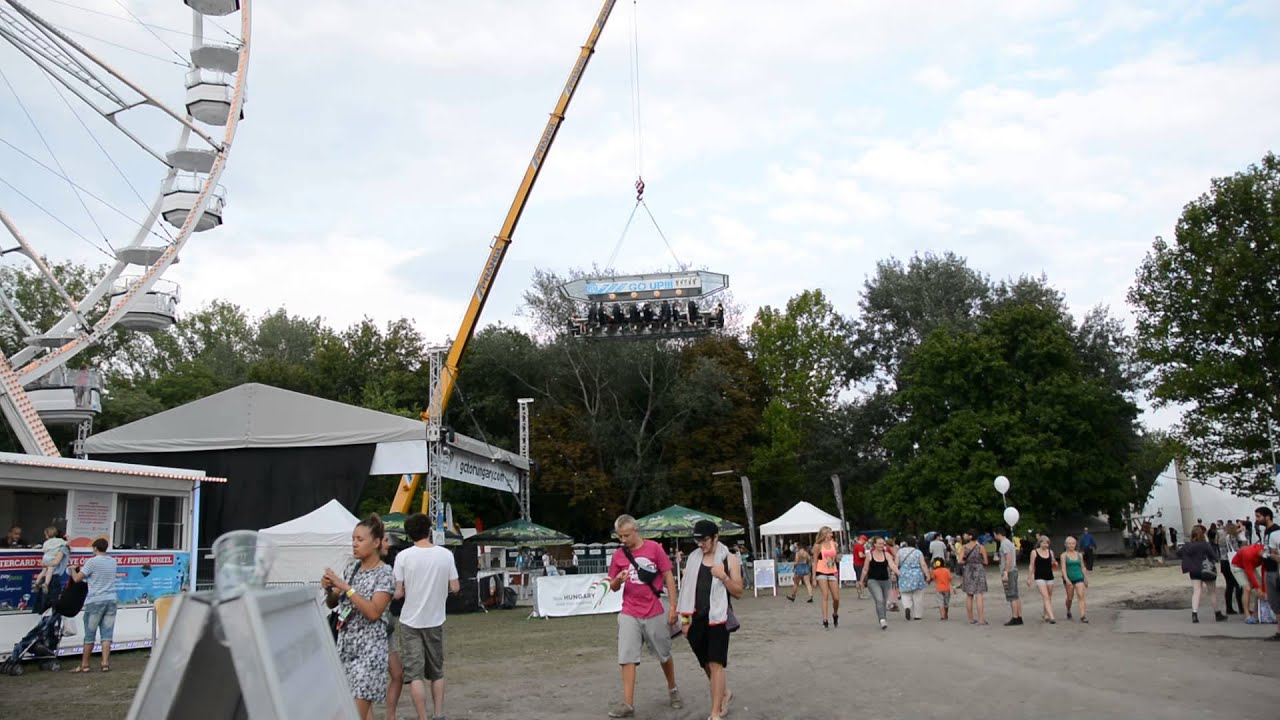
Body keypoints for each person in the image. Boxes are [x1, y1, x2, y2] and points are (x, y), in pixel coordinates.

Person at [606, 515, 682, 718]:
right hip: (629, 611)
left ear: (636, 531)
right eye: (620, 536)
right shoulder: (618, 555)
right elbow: (611, 587)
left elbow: (668, 577)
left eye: (626, 535)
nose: (623, 540)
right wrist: (618, 581)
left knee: (664, 654)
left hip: (654, 610)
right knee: (626, 656)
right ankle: (628, 704)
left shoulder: (654, 549)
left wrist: (673, 607)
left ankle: (673, 689)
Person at [322, 514, 394, 718]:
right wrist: (329, 588)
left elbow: (373, 612)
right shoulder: (352, 569)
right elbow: (333, 603)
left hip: (369, 653)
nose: (354, 544)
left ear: (376, 542)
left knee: (352, 714)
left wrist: (345, 586)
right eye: (353, 539)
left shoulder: (384, 574)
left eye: (360, 540)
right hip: (346, 649)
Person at [393, 512, 461, 720]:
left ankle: (422, 717)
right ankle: (438, 714)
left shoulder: (402, 557)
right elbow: (455, 587)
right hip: (435, 619)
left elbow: (398, 592)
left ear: (408, 534)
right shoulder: (445, 555)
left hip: (410, 620)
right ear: (429, 530)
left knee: (415, 674)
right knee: (436, 671)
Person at [678, 520, 742, 720]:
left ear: (716, 537)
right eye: (697, 540)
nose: (700, 544)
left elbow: (738, 592)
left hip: (718, 619)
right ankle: (724, 692)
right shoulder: (693, 559)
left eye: (704, 540)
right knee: (706, 663)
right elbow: (687, 592)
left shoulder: (729, 559)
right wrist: (686, 620)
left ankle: (715, 713)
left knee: (716, 664)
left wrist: (723, 576)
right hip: (696, 619)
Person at [68, 537, 116, 672]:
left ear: (95, 548)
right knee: (107, 634)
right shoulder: (113, 562)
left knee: (90, 634)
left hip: (95, 601)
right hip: (111, 600)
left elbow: (77, 579)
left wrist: (72, 569)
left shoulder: (92, 562)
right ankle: (105, 663)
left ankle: (85, 664)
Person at [378, 532, 408, 720]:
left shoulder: (387, 569)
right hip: (370, 633)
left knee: (397, 675)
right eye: (384, 539)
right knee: (368, 686)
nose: (388, 544)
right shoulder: (355, 569)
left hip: (385, 631)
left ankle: (391, 716)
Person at [1174, 525, 1222, 624]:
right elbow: (1214, 557)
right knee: (1212, 591)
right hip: (1206, 569)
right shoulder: (1205, 544)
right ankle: (1217, 613)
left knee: (1196, 591)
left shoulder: (1187, 545)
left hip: (1193, 570)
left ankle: (1194, 614)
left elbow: (1178, 553)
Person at [858, 536, 899, 630]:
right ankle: (882, 620)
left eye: (883, 544)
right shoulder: (869, 555)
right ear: (875, 544)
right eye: (880, 544)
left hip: (885, 581)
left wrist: (898, 573)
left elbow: (892, 565)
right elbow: (865, 569)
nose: (882, 545)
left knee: (883, 601)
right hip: (873, 581)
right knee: (879, 599)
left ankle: (883, 617)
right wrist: (861, 581)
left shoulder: (887, 555)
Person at [1255, 506, 1280, 641]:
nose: (1257, 519)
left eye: (1259, 516)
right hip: (1269, 569)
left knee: (1277, 599)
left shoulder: (1276, 531)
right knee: (1274, 601)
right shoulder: (1266, 532)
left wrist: (1264, 554)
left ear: (1267, 516)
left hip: (1275, 570)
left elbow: (1274, 553)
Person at [812, 527, 841, 628]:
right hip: (821, 571)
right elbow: (814, 561)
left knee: (836, 598)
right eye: (830, 533)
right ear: (824, 534)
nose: (831, 535)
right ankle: (825, 619)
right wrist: (814, 577)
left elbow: (836, 557)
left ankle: (835, 613)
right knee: (825, 595)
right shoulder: (818, 546)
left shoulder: (834, 544)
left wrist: (838, 557)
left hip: (832, 571)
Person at [993, 528, 1023, 626]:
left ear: (998, 534)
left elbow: (1008, 558)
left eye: (995, 534)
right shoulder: (1010, 542)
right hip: (1013, 570)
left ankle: (1015, 617)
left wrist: (1005, 571)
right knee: (1015, 594)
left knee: (1011, 595)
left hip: (1009, 571)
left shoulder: (1004, 544)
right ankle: (1019, 616)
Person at [1231, 542, 1265, 624]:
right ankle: (1247, 615)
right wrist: (1257, 588)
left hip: (1251, 566)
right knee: (1247, 588)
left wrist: (1262, 587)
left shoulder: (1265, 553)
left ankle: (1256, 612)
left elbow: (1264, 569)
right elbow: (1249, 572)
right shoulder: (1248, 553)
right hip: (1238, 566)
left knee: (1261, 586)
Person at [1059, 536, 1091, 623]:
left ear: (1076, 544)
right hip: (1069, 578)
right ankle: (1068, 610)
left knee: (1081, 596)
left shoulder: (1079, 554)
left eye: (1073, 543)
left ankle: (1083, 616)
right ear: (1066, 545)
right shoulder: (1063, 555)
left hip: (1079, 577)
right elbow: (1063, 568)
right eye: (1069, 543)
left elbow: (1083, 567)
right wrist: (1066, 579)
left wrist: (1085, 578)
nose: (1071, 545)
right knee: (1070, 598)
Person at [896, 539, 929, 621]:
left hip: (904, 574)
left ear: (906, 543)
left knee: (905, 593)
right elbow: (923, 564)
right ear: (915, 543)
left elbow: (896, 563)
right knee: (918, 595)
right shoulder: (918, 552)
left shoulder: (900, 552)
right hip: (917, 575)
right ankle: (917, 615)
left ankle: (907, 607)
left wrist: (894, 573)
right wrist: (927, 574)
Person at [960, 531, 989, 625]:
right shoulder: (981, 547)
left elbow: (960, 560)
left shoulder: (964, 547)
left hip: (968, 570)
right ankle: (981, 619)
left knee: (969, 595)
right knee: (979, 594)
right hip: (979, 570)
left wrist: (966, 561)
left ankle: (970, 618)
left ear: (970, 536)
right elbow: (986, 561)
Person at [34, 526, 69, 602]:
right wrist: (68, 539)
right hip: (51, 559)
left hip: (46, 557)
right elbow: (56, 562)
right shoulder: (61, 544)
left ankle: (36, 583)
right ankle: (46, 584)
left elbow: (44, 550)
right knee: (50, 571)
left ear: (46, 535)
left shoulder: (46, 542)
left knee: (43, 571)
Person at [1027, 535, 1058, 623]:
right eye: (1044, 543)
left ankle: (1046, 614)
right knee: (1045, 596)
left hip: (1049, 576)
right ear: (1039, 543)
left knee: (1049, 596)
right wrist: (1030, 577)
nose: (1046, 545)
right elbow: (1031, 565)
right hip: (1039, 576)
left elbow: (1054, 565)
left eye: (1047, 543)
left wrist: (1055, 563)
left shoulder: (1050, 552)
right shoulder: (1034, 552)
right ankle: (1052, 617)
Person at [1217, 521, 1243, 616]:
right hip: (1231, 562)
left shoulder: (1222, 538)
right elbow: (1237, 550)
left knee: (1229, 586)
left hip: (1223, 562)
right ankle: (1241, 607)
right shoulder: (1232, 537)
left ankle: (1229, 607)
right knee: (1238, 585)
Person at [851, 535, 868, 599]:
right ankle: (862, 594)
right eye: (865, 541)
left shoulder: (855, 545)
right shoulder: (860, 546)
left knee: (858, 579)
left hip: (856, 564)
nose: (865, 543)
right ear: (862, 540)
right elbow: (861, 555)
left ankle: (859, 593)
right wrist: (866, 555)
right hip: (860, 564)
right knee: (861, 580)